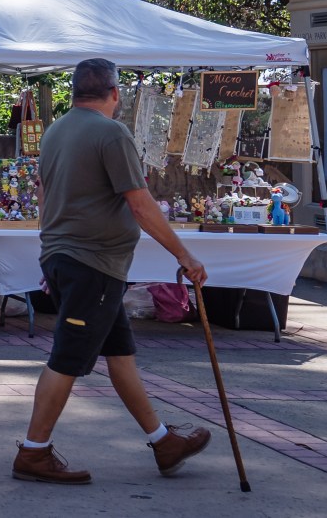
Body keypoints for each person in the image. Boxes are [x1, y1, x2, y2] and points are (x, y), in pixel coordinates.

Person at [13, 58, 211, 484]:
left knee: (121, 354)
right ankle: (33, 451)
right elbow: (140, 204)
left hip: (76, 260)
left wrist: (51, 251)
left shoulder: (56, 131)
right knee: (67, 358)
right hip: (92, 264)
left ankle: (163, 442)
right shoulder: (111, 132)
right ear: (115, 92)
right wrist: (184, 255)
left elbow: (44, 196)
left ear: (75, 92)